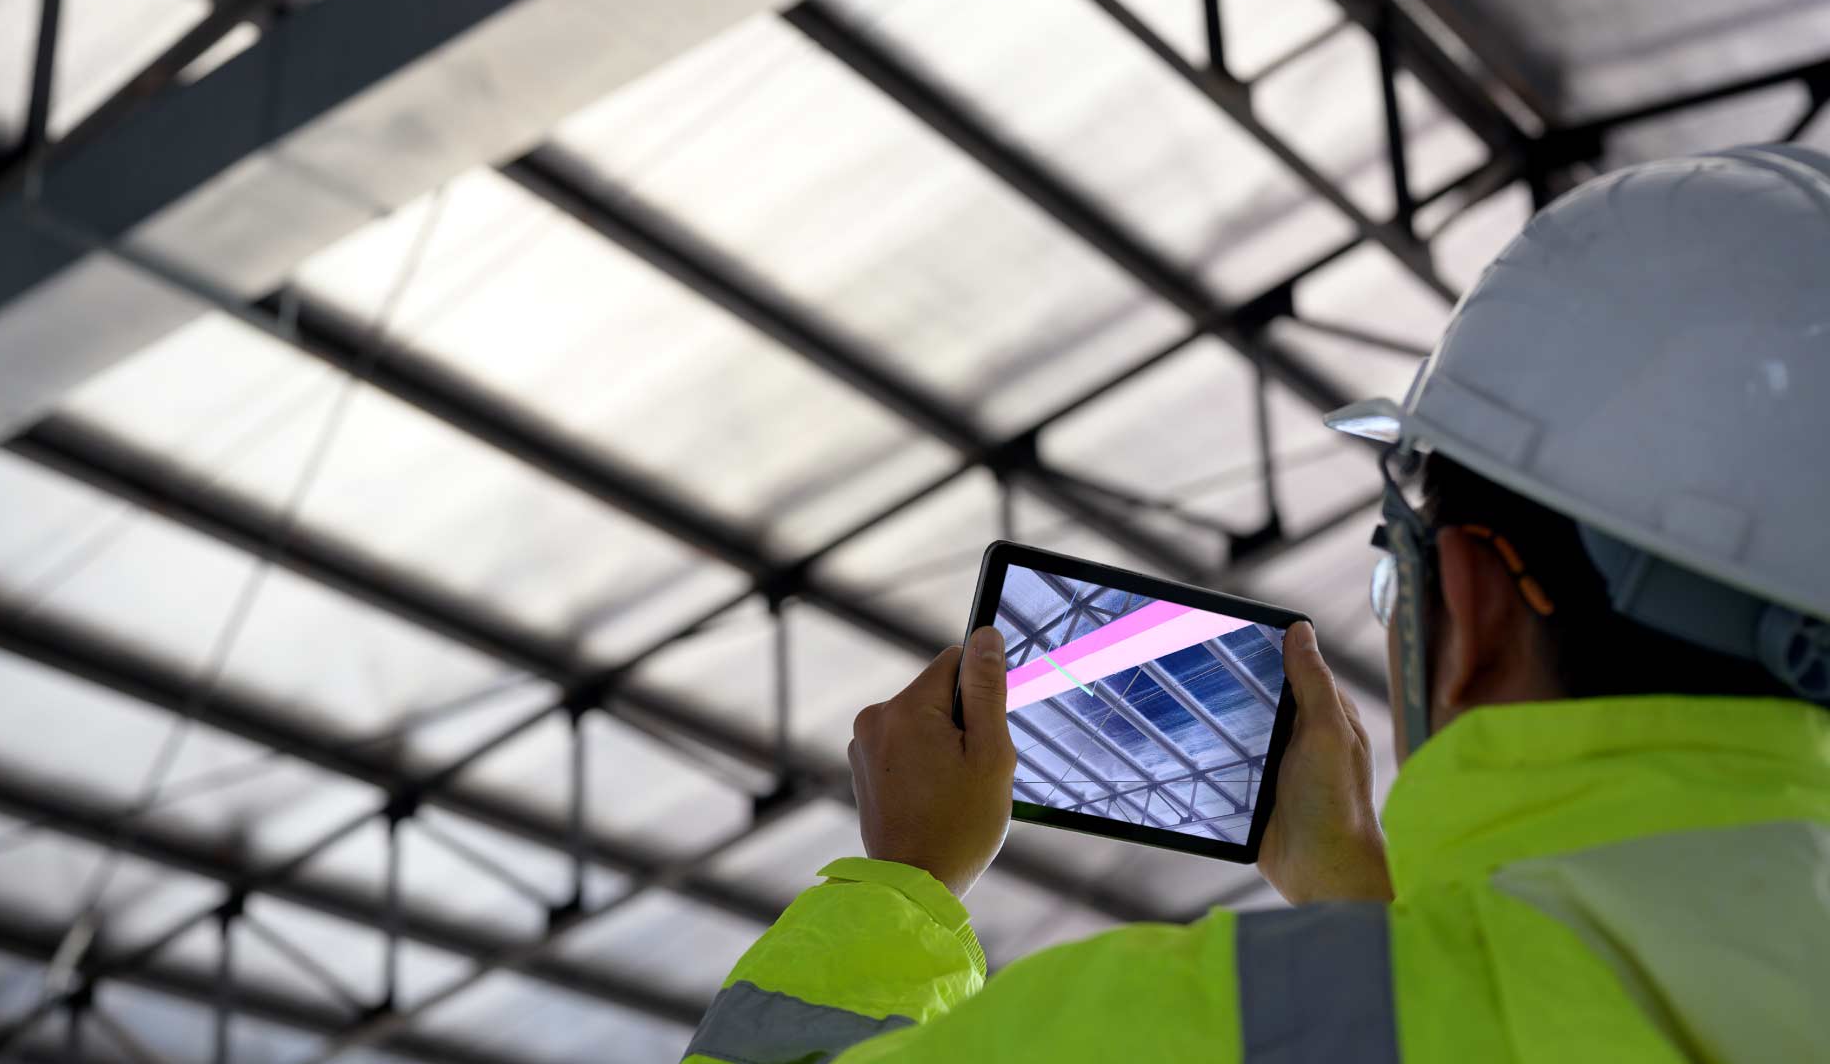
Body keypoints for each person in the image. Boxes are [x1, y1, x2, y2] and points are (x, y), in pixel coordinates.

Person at [680, 145, 1830, 1063]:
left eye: (1400, 574)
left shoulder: (1233, 1027)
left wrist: (903, 887)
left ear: (1472, 603)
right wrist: (1358, 905)